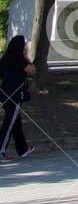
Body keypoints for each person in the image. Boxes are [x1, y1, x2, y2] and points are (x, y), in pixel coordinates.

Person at [0, 35, 35, 163]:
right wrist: (26, 56)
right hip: (15, 96)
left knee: (16, 121)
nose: (26, 48)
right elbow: (32, 71)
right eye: (25, 46)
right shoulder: (20, 60)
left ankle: (23, 149)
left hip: (5, 94)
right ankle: (1, 151)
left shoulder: (5, 59)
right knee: (9, 123)